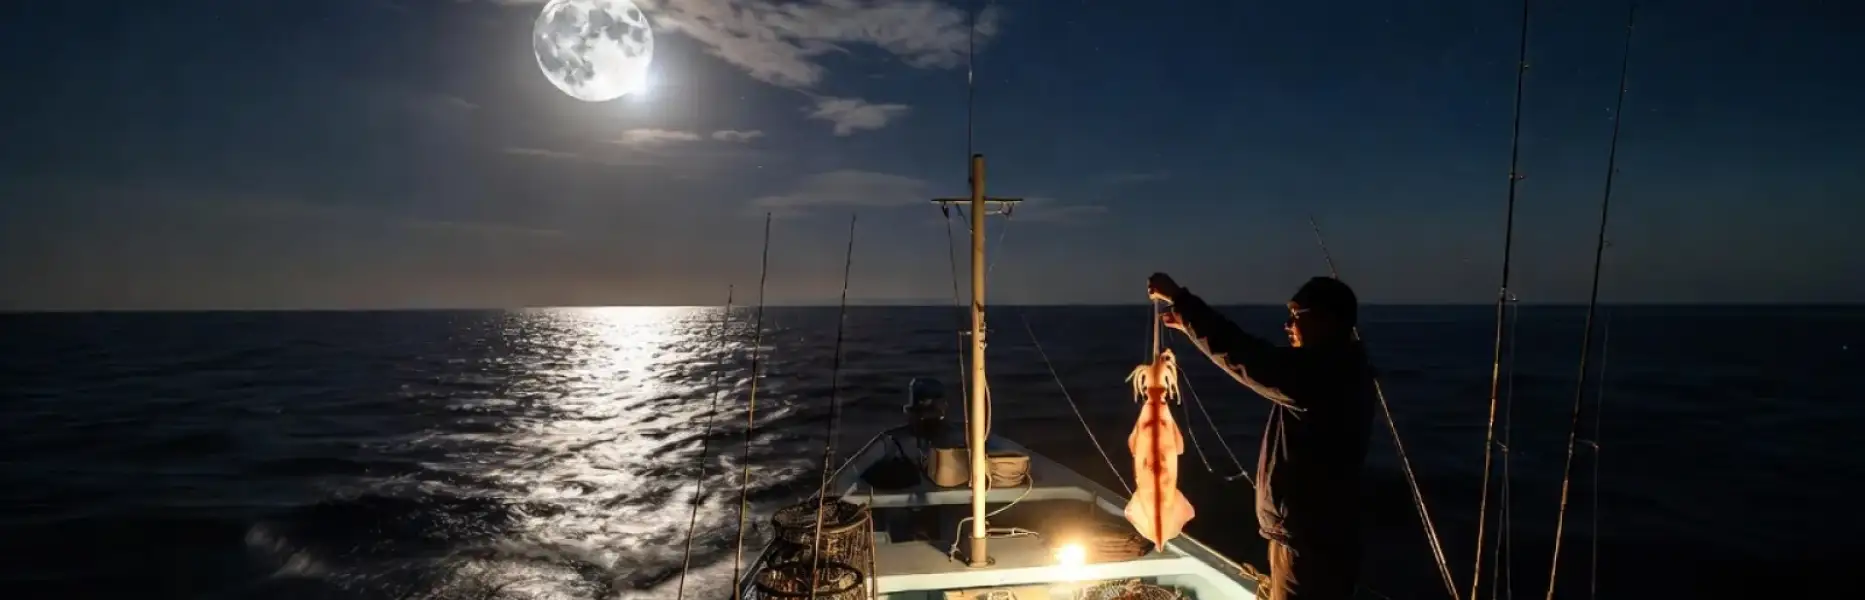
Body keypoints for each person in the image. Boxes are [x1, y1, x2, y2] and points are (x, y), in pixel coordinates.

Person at [1146, 272, 1377, 600]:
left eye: (1297, 315)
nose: (1288, 325)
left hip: (1308, 547)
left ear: (1327, 320)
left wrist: (1181, 302)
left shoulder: (1323, 376)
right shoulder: (1344, 370)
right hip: (1319, 540)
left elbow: (1246, 357)